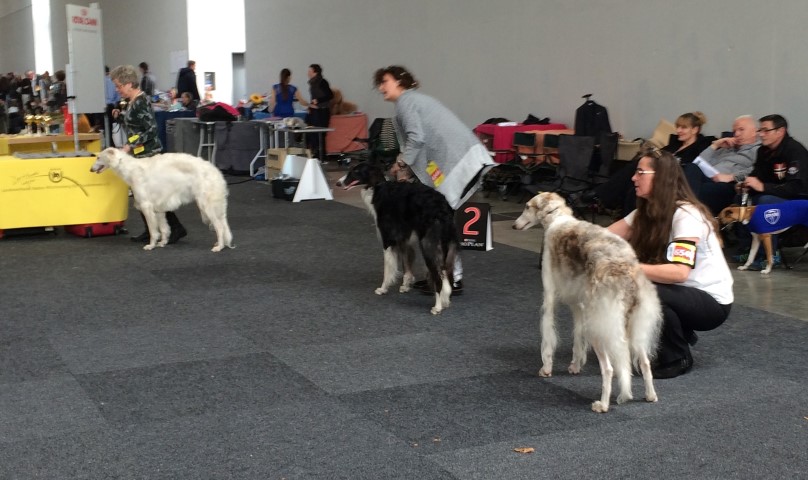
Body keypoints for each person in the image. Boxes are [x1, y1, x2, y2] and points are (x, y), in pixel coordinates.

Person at [607, 147, 733, 379]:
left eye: (640, 172)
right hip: (681, 292)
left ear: (660, 178)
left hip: (711, 303)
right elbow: (603, 238)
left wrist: (628, 268)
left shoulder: (687, 215)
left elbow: (679, 273)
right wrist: (568, 234)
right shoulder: (645, 212)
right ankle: (676, 333)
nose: (633, 178)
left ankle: (678, 357)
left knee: (641, 287)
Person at [373, 65, 495, 295]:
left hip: (459, 163)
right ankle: (439, 275)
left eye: (384, 81)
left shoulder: (407, 102)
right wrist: (408, 171)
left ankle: (451, 278)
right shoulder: (414, 100)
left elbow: (416, 138)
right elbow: (422, 144)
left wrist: (400, 163)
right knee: (440, 220)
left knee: (441, 222)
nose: (381, 87)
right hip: (456, 162)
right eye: (379, 83)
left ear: (399, 81)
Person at [110, 64, 187, 245]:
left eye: (119, 86)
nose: (117, 90)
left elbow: (150, 130)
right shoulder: (133, 101)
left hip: (149, 155)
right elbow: (136, 124)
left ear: (129, 84)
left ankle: (175, 228)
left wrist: (130, 145)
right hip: (140, 155)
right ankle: (150, 230)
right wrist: (120, 116)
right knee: (142, 195)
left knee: (154, 195)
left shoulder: (141, 101)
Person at [591, 112, 714, 215]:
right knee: (634, 174)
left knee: (635, 169)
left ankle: (599, 196)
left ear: (695, 129)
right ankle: (609, 204)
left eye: (683, 127)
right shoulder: (675, 144)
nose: (678, 131)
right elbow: (658, 154)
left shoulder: (700, 147)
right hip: (655, 173)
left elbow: (692, 167)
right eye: (677, 127)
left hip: (672, 179)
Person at [684, 115, 760, 214]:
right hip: (707, 179)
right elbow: (698, 163)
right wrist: (715, 146)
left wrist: (731, 177)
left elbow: (757, 172)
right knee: (690, 167)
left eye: (741, 130)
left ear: (755, 131)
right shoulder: (726, 148)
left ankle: (686, 208)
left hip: (730, 185)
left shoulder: (759, 150)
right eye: (734, 131)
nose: (736, 134)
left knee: (697, 190)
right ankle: (688, 208)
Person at [306, 64, 333, 159]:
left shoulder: (322, 82)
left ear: (315, 72)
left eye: (310, 71)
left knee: (320, 134)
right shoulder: (312, 83)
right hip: (315, 111)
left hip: (323, 111)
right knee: (313, 133)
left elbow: (330, 95)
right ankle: (316, 153)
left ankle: (321, 155)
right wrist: (310, 106)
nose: (308, 73)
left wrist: (318, 100)